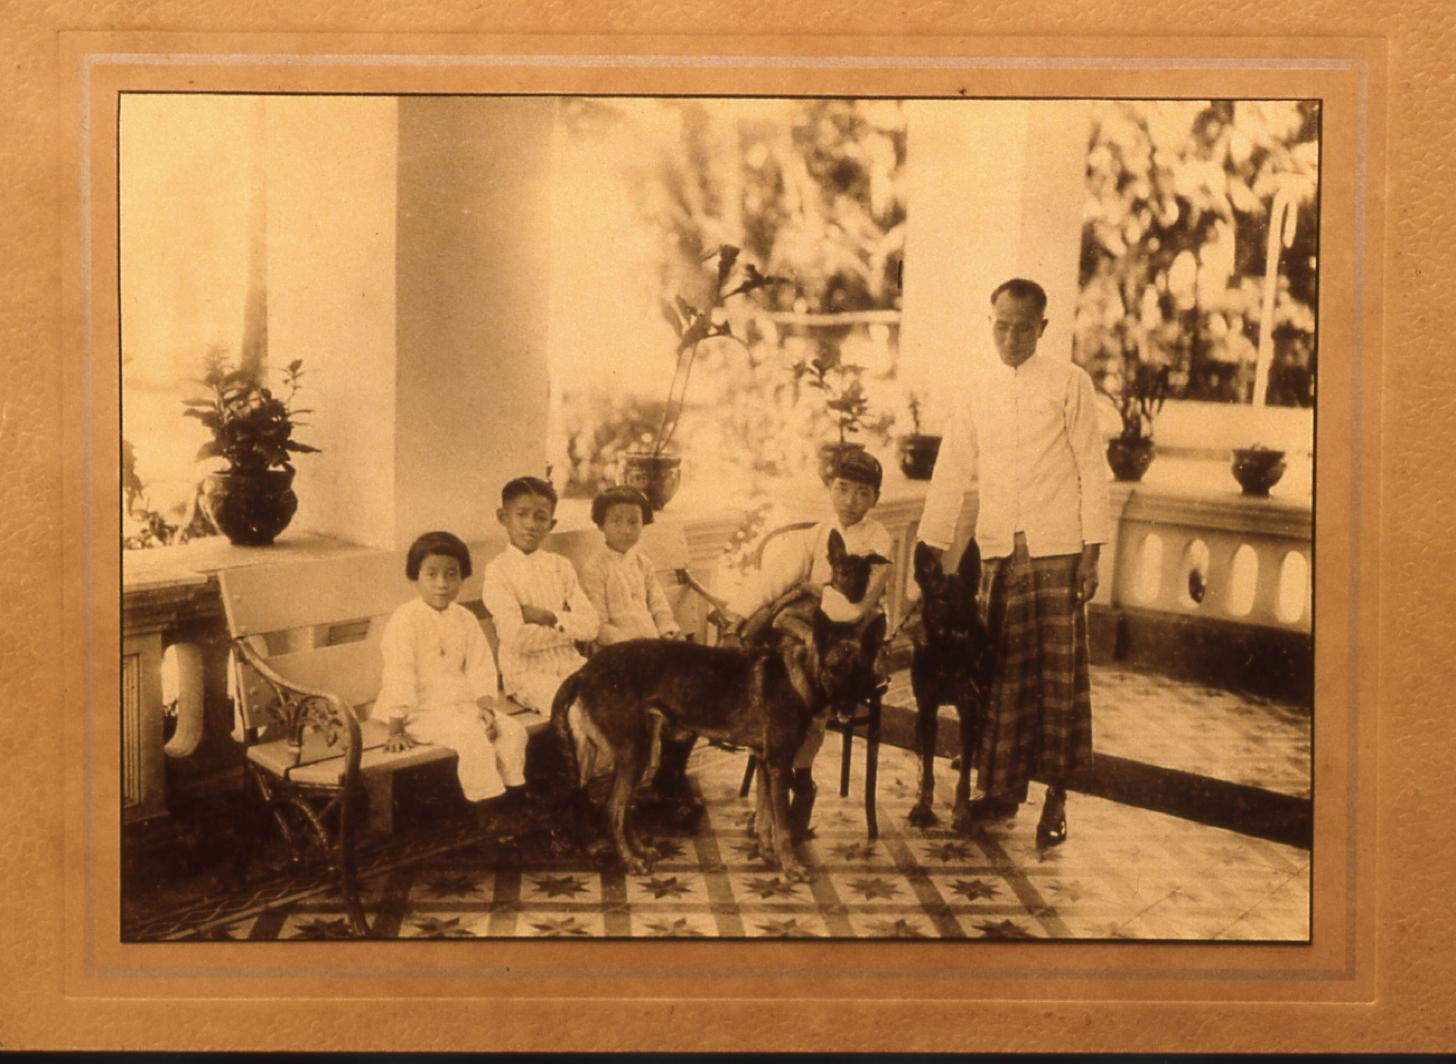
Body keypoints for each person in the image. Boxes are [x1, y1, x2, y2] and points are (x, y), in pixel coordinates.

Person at [917, 278, 1110, 846]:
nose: (1010, 338)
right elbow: (952, 468)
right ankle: (999, 792)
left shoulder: (1070, 383)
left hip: (1057, 552)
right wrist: (931, 544)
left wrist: (1091, 555)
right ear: (991, 322)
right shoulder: (977, 389)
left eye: (1023, 328)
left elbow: (1092, 468)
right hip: (998, 553)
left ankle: (1056, 799)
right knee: (999, 680)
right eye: (1000, 326)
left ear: (1043, 327)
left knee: (1055, 683)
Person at [722, 448, 894, 836]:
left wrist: (814, 589)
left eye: (862, 493)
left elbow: (856, 607)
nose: (850, 501)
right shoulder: (819, 533)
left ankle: (801, 781)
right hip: (808, 632)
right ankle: (773, 782)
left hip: (853, 641)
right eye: (842, 488)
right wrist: (739, 618)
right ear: (829, 488)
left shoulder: (879, 539)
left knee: (814, 688)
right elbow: (776, 581)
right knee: (777, 685)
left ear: (875, 498)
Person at [377, 531, 530, 820]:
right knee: (473, 739)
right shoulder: (405, 619)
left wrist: (485, 707)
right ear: (415, 577)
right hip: (418, 711)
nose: (442, 583)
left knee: (511, 732)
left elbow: (480, 666)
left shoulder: (465, 618)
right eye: (431, 574)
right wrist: (396, 728)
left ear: (462, 578)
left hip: (462, 705)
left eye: (451, 574)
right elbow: (398, 672)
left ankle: (511, 798)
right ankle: (486, 809)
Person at [480, 476, 600, 718]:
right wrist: (566, 629)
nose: (531, 524)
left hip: (570, 663)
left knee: (615, 695)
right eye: (522, 514)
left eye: (540, 517)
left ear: (551, 524)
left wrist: (549, 617)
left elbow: (591, 626)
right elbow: (515, 638)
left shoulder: (560, 566)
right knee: (575, 709)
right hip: (526, 673)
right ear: (503, 517)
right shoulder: (498, 571)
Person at [578, 485, 682, 646]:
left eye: (633, 522)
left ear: (643, 524)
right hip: (617, 648)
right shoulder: (594, 568)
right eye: (616, 522)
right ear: (601, 525)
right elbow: (598, 622)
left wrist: (667, 628)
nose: (626, 530)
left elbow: (658, 603)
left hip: (651, 641)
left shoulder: (643, 563)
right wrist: (626, 646)